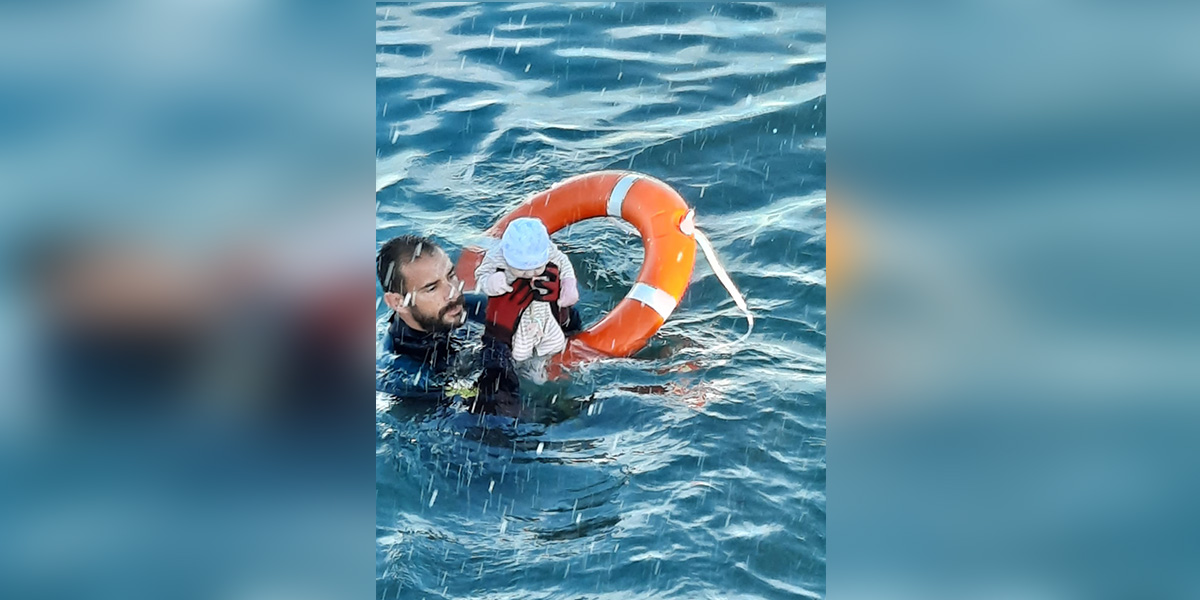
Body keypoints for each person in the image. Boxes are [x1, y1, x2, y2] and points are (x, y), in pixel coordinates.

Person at [376, 234, 580, 417]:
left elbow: (569, 334)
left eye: (451, 276)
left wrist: (556, 309)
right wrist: (498, 337)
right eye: (431, 288)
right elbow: (495, 411)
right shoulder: (403, 374)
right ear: (397, 302)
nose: (454, 293)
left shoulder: (470, 308)